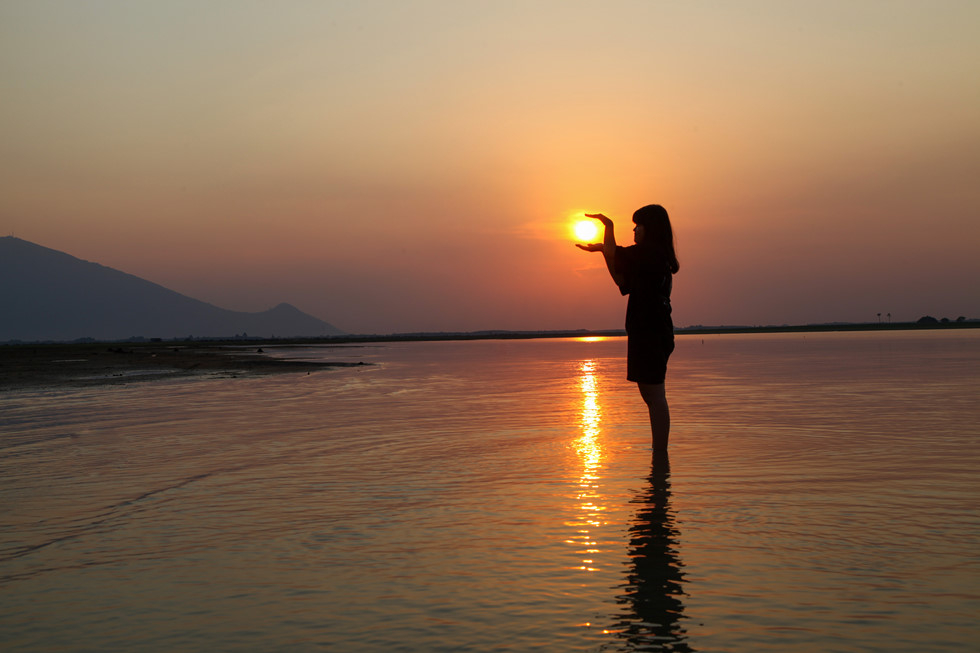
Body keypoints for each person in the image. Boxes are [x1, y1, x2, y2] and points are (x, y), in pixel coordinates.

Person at [576, 205, 679, 452]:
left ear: (649, 228)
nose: (634, 229)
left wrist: (608, 227)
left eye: (638, 225)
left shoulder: (650, 254)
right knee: (651, 396)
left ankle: (660, 458)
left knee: (654, 397)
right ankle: (659, 457)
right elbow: (621, 281)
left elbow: (617, 253)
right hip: (647, 332)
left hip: (652, 333)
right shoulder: (648, 257)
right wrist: (605, 252)